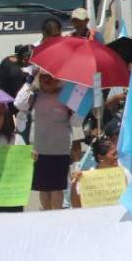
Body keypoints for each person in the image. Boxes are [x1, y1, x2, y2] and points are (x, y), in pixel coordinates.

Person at [14, 70, 82, 210]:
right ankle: (45, 216)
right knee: (43, 189)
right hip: (38, 149)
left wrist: (78, 106)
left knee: (56, 188)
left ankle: (55, 219)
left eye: (51, 77)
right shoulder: (34, 95)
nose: (47, 80)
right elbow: (18, 103)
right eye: (44, 76)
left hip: (59, 149)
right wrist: (30, 80)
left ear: (58, 80)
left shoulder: (66, 95)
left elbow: (76, 122)